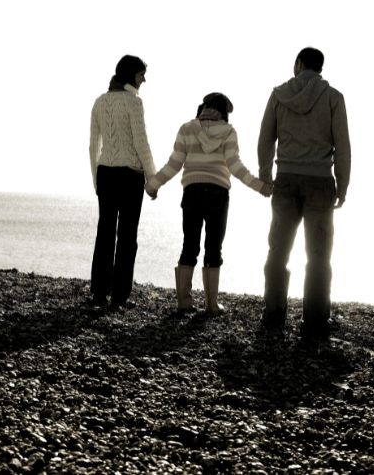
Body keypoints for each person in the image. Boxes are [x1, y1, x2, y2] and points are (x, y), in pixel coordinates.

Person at [145, 93, 272, 315]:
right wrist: (259, 186)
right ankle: (211, 305)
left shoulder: (187, 128)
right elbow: (235, 166)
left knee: (189, 245)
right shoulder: (229, 132)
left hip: (192, 191)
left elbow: (174, 163)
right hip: (217, 193)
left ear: (204, 107)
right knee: (214, 247)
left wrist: (153, 184)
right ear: (223, 111)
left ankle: (184, 302)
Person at [257, 47, 351, 340]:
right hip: (320, 181)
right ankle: (314, 320)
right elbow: (343, 146)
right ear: (320, 68)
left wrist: (265, 174)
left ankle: (273, 314)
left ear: (299, 64)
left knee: (278, 250)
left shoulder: (278, 95)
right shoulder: (334, 97)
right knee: (319, 254)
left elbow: (265, 138)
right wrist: (342, 184)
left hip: (285, 178)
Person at [89, 55, 156, 311]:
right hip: (130, 174)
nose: (144, 79)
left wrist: (96, 179)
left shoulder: (100, 102)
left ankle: (98, 292)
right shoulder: (134, 102)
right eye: (141, 74)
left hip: (105, 173)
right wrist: (152, 177)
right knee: (127, 235)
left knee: (104, 232)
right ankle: (119, 296)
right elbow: (141, 142)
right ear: (131, 75)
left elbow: (93, 145)